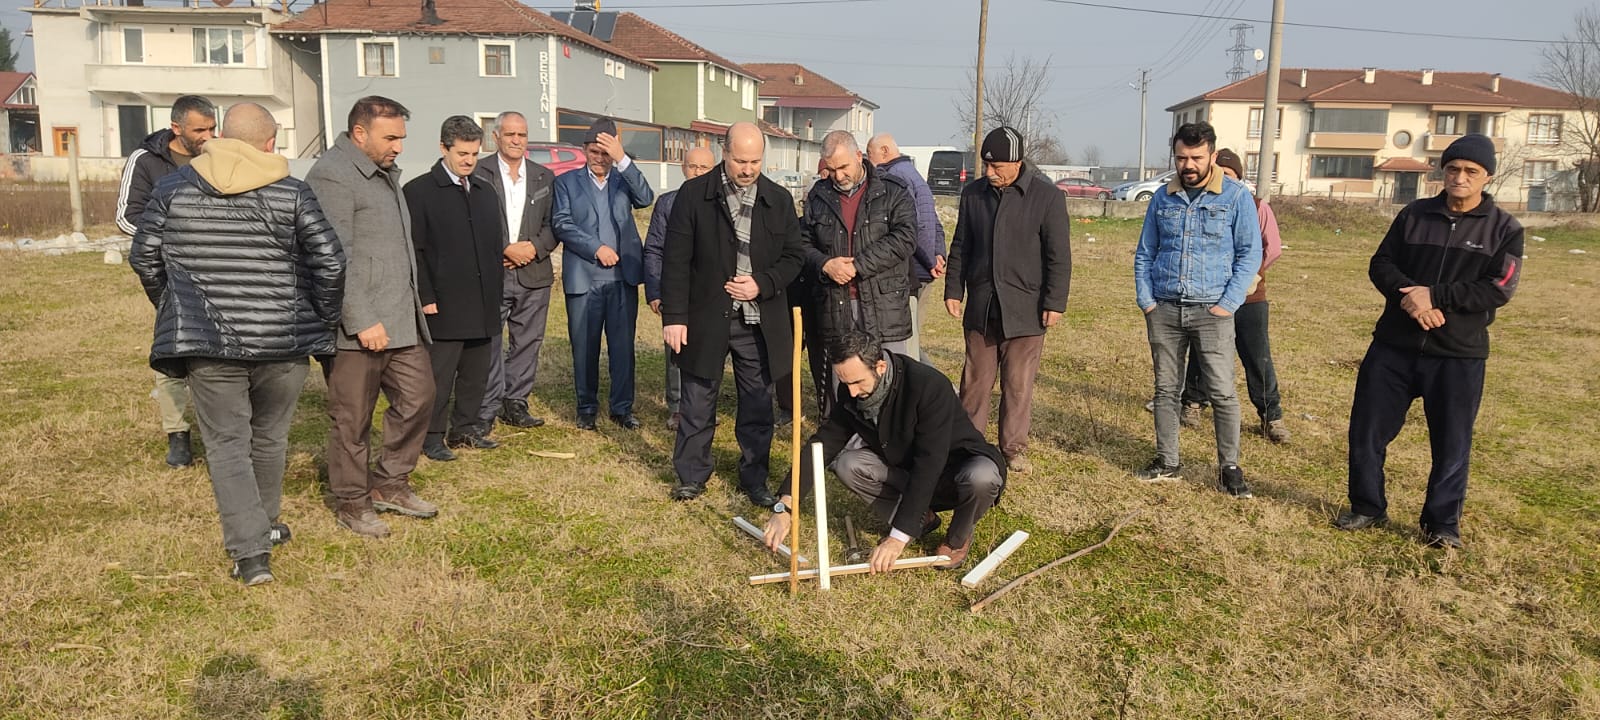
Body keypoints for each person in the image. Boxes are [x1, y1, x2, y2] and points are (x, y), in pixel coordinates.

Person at [128, 103, 345, 585]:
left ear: (221, 136)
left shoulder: (172, 188)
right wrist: (319, 319)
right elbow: (330, 262)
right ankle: (260, 531)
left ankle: (251, 553)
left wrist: (178, 308)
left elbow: (144, 258)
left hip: (208, 344)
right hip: (283, 342)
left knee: (226, 445)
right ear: (270, 143)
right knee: (269, 438)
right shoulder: (292, 191)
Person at [1335, 134, 1523, 549]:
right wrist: (1411, 300)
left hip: (1458, 353)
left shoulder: (1505, 229)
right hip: (1394, 346)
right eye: (1453, 168)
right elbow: (1381, 264)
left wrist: (1436, 297)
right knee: (1367, 431)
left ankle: (1441, 525)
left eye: (1470, 172)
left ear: (1486, 177)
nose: (1460, 177)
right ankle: (1367, 506)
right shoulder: (1414, 215)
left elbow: (1500, 288)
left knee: (1452, 442)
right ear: (1443, 170)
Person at [306, 96, 439, 539]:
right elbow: (331, 257)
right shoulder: (332, 176)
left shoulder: (382, 173)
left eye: (402, 136)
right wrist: (360, 318)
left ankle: (390, 483)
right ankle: (352, 501)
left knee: (419, 397)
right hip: (356, 329)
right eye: (391, 137)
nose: (399, 146)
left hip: (399, 320)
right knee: (352, 419)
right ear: (359, 133)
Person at [762, 330, 1005, 570]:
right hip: (907, 472)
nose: (852, 392)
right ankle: (922, 519)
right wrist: (786, 504)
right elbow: (823, 443)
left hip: (955, 471)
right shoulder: (850, 390)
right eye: (846, 383)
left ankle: (956, 539)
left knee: (982, 476)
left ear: (880, 367)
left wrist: (897, 539)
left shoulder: (927, 385)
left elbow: (930, 462)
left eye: (857, 382)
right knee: (848, 464)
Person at [660, 121, 806, 505]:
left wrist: (763, 282)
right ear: (724, 154)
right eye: (740, 160)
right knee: (697, 398)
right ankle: (691, 475)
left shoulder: (779, 200)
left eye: (755, 161)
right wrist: (674, 316)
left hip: (759, 320)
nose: (747, 168)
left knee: (758, 403)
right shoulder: (694, 196)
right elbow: (675, 260)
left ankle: (754, 477)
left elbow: (795, 257)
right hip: (705, 315)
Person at [1133, 122, 1261, 498]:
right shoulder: (1162, 198)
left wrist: (1228, 304)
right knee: (1166, 389)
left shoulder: (1235, 197)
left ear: (1212, 155)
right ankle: (1167, 461)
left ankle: (1230, 468)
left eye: (1195, 157)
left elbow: (1249, 253)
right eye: (1181, 157)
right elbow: (1145, 253)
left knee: (1221, 392)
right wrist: (1148, 301)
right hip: (1166, 310)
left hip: (1212, 311)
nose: (1187, 165)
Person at [943, 126, 1072, 474]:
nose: (989, 173)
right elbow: (960, 246)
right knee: (974, 381)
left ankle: (1013, 448)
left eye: (996, 166)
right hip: (982, 307)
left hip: (1026, 311)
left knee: (1017, 383)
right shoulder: (973, 195)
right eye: (986, 166)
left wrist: (1054, 302)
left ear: (1016, 162)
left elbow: (1058, 256)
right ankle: (967, 445)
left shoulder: (1047, 198)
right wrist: (954, 290)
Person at [117, 94, 217, 468]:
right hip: (170, 273)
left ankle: (222, 429)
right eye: (199, 130)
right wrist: (174, 239)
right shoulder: (146, 161)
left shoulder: (218, 157)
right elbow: (127, 217)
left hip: (217, 270)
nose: (208, 136)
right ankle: (178, 434)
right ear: (176, 128)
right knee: (173, 352)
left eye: (212, 128)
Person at [405, 116, 505, 461]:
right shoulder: (419, 192)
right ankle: (430, 435)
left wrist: (495, 293)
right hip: (444, 305)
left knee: (476, 374)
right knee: (439, 376)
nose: (469, 160)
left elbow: (494, 247)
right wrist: (426, 296)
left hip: (483, 302)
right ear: (443, 148)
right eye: (462, 153)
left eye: (475, 154)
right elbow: (414, 251)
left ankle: (465, 429)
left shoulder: (484, 192)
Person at [1177, 148, 1290, 443]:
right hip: (1209, 296)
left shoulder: (1255, 206)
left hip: (1250, 297)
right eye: (1221, 174)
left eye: (1230, 176)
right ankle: (1192, 404)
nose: (1225, 180)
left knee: (1257, 355)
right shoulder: (1202, 204)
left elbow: (1272, 248)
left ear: (1239, 177)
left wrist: (1247, 276)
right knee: (1204, 353)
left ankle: (1271, 416)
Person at [552, 117, 656, 430]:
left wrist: (623, 159)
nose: (599, 158)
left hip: (621, 279)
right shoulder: (566, 183)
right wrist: (595, 247)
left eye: (606, 152)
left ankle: (622, 408)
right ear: (584, 150)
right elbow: (562, 223)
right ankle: (586, 407)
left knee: (623, 347)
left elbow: (646, 197)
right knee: (584, 346)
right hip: (584, 278)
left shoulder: (623, 180)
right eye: (594, 151)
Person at [474, 111, 559, 433]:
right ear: (495, 137)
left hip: (533, 273)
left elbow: (556, 223)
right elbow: (470, 220)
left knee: (527, 340)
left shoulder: (544, 177)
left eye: (521, 135)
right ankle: (487, 403)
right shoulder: (479, 173)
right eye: (509, 134)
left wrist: (534, 248)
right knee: (489, 340)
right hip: (492, 271)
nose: (516, 140)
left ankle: (516, 401)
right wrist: (503, 248)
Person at [802, 131, 918, 356]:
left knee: (888, 378)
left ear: (858, 155)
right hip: (835, 306)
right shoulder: (818, 196)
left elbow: (905, 237)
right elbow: (802, 243)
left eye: (844, 167)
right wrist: (825, 264)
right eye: (832, 169)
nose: (838, 175)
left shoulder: (893, 190)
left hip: (884, 306)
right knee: (842, 383)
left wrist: (858, 266)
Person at [643, 146, 716, 432]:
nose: (697, 172)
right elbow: (654, 249)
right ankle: (676, 408)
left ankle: (703, 407)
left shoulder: (718, 203)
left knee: (708, 350)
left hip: (709, 292)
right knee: (676, 352)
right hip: (676, 291)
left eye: (704, 168)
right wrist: (655, 291)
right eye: (693, 166)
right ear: (683, 167)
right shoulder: (667, 203)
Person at [867, 133, 947, 364]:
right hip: (924, 266)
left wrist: (930, 261)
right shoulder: (914, 174)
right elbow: (933, 218)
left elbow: (914, 226)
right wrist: (938, 254)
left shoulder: (894, 178)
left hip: (912, 271)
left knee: (906, 344)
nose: (869, 161)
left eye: (870, 155)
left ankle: (937, 391)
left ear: (884, 151)